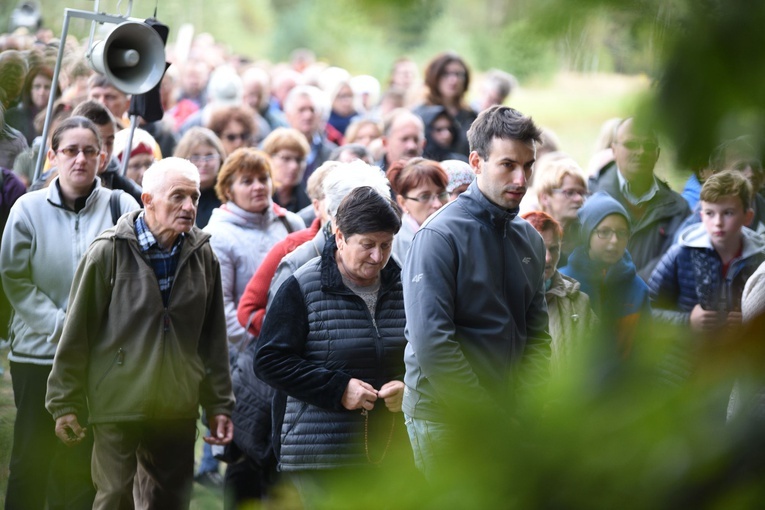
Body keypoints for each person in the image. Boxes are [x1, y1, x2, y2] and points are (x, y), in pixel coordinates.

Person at [45, 157, 235, 510]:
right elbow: (77, 333)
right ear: (148, 200)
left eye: (193, 197)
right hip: (118, 397)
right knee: (115, 495)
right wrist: (64, 402)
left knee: (170, 499)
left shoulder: (202, 253)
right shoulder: (109, 251)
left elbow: (213, 337)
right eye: (177, 197)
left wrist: (219, 404)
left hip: (176, 401)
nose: (189, 206)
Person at [402, 106, 551, 479]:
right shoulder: (438, 236)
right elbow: (433, 344)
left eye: (528, 165)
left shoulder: (529, 238)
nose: (521, 178)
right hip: (445, 415)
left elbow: (538, 334)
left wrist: (526, 408)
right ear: (476, 161)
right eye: (507, 165)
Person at [1, 116, 139, 510]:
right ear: (53, 156)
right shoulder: (27, 209)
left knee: (84, 463)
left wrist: (96, 332)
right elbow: (15, 280)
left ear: (103, 156)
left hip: (99, 358)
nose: (80, 159)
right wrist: (64, 327)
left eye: (89, 151)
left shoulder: (121, 206)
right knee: (30, 458)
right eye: (70, 151)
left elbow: (133, 278)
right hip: (38, 354)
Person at [254, 186, 407, 503]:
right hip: (321, 454)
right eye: (367, 245)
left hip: (388, 451)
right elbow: (269, 360)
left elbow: (424, 354)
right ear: (339, 237)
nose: (377, 256)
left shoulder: (406, 285)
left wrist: (409, 387)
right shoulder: (303, 284)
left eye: (386, 245)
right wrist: (338, 389)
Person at [649, 171, 765, 336]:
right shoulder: (681, 254)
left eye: (728, 213)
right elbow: (647, 310)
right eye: (710, 213)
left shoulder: (761, 262)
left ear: (748, 217)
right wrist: (687, 320)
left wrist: (750, 322)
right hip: (686, 359)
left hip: (742, 359)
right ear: (701, 216)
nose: (718, 222)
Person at [236, 162, 338, 339]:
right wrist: (284, 332)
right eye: (334, 202)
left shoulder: (368, 247)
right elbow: (247, 310)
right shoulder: (293, 245)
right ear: (316, 206)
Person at [589, 117, 690, 280]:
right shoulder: (589, 199)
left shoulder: (678, 209)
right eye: (631, 145)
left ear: (657, 154)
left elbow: (676, 266)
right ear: (614, 150)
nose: (641, 151)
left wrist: (634, 290)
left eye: (648, 146)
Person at [559, 191, 651, 358]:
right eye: (604, 232)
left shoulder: (638, 289)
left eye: (622, 233)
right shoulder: (563, 284)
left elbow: (646, 353)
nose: (614, 241)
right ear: (587, 235)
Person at [522, 211, 598, 373]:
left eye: (554, 249)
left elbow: (599, 365)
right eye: (538, 248)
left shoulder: (578, 302)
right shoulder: (500, 300)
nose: (548, 258)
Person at [413, 52, 477, 156]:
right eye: (446, 74)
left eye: (459, 74)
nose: (454, 80)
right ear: (434, 76)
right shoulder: (419, 114)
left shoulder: (471, 116)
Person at [387, 157, 449, 264]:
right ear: (402, 202)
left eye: (442, 194)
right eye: (425, 196)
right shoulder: (397, 245)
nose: (437, 204)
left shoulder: (459, 230)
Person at [534, 155, 590, 267]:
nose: (579, 199)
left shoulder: (587, 236)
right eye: (569, 192)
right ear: (545, 198)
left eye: (582, 193)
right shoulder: (529, 235)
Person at [283, 85, 337, 185]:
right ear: (288, 115)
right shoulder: (273, 150)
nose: (308, 115)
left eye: (312, 110)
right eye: (301, 110)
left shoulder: (332, 153)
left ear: (321, 115)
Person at [173, 126, 226, 228]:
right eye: (196, 157)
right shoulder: (173, 197)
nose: (203, 163)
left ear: (220, 159)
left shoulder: (230, 195)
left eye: (209, 156)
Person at [262, 127, 312, 214]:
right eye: (286, 158)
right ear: (269, 159)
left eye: (299, 160)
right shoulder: (258, 197)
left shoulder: (311, 201)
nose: (294, 166)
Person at [376, 108, 425, 172]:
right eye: (404, 139)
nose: (412, 146)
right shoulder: (370, 178)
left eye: (416, 140)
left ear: (424, 143)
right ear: (385, 143)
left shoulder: (433, 178)